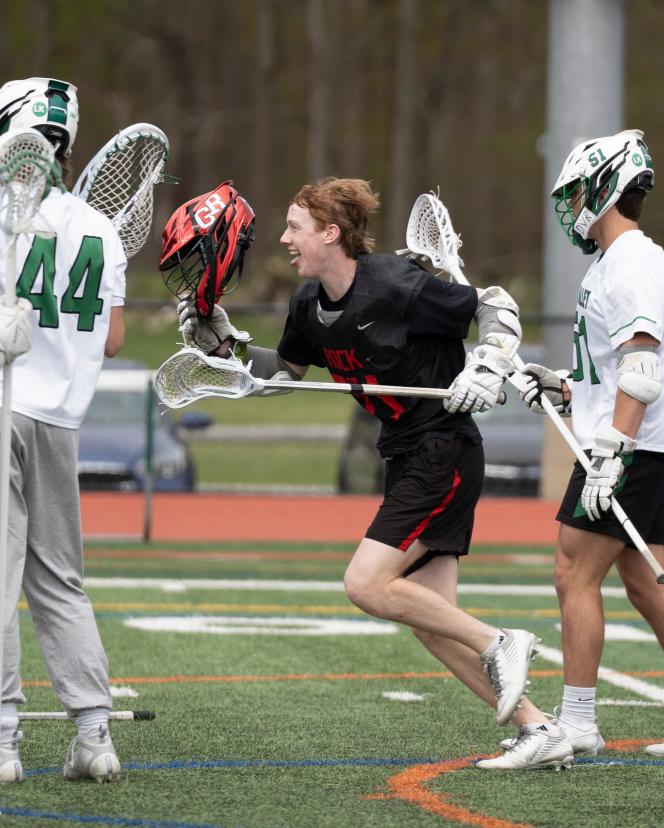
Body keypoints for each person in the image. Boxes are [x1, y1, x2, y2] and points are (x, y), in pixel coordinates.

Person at [176, 177, 571, 770]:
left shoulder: (395, 285)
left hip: (444, 451)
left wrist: (486, 364)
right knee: (433, 625)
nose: (284, 239)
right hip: (406, 457)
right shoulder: (308, 304)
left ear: (331, 234)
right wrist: (226, 344)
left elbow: (494, 305)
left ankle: (501, 642)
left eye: (295, 227)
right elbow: (282, 372)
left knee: (365, 584)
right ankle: (540, 730)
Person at [515, 129, 664, 765]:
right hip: (639, 442)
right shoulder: (618, 259)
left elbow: (642, 366)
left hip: (630, 448)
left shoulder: (631, 260)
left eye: (576, 192)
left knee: (572, 570)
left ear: (606, 189)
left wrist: (612, 449)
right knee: (647, 582)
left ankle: (579, 722)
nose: (569, 206)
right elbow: (621, 365)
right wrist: (566, 386)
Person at [0, 77, 126, 784]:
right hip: (60, 421)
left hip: (4, 406)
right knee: (60, 581)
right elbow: (111, 340)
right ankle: (93, 735)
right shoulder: (100, 227)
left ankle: (4, 741)